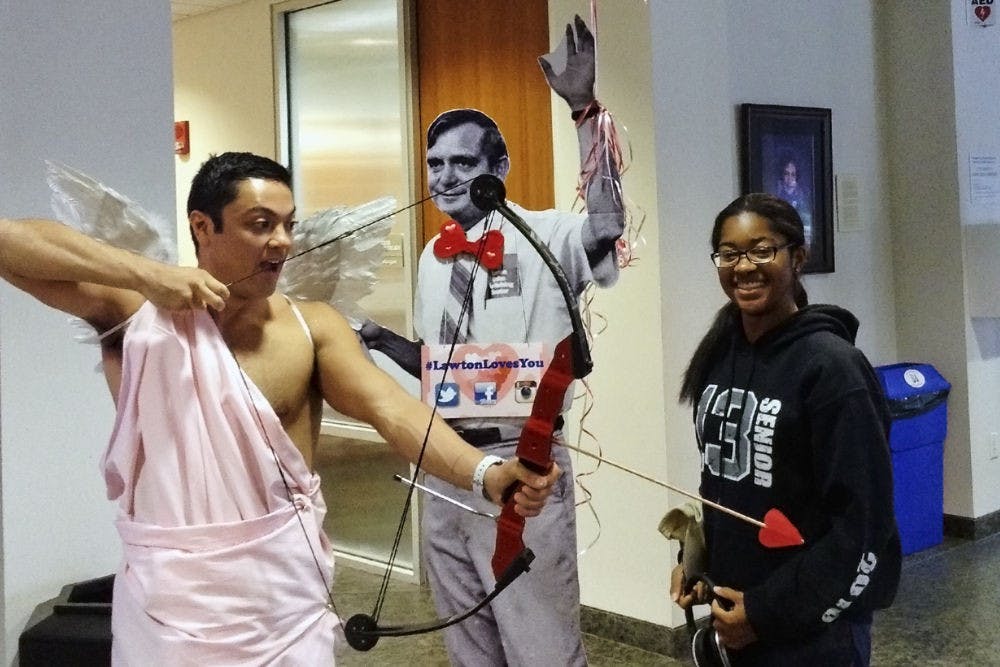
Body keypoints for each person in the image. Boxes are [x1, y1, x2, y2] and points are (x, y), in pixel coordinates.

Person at [0, 151, 561, 665]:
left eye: (289, 224)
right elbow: (10, 241)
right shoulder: (136, 316)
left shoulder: (311, 325)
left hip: (283, 602)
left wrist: (484, 472)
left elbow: (389, 407)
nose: (282, 242)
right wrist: (146, 273)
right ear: (203, 226)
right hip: (172, 607)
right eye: (260, 224)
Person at [359, 15, 624, 667]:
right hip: (443, 467)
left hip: (520, 467)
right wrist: (368, 338)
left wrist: (585, 110)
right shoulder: (430, 256)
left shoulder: (548, 235)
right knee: (469, 647)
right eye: (435, 164)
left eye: (462, 163)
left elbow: (609, 223)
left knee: (540, 647)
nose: (445, 176)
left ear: (497, 167)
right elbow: (441, 367)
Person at [670, 193, 901, 666]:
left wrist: (765, 613)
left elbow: (862, 524)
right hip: (735, 615)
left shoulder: (835, 370)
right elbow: (724, 483)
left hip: (813, 631)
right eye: (729, 254)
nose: (744, 267)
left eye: (761, 250)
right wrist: (697, 564)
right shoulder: (719, 355)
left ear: (797, 257)